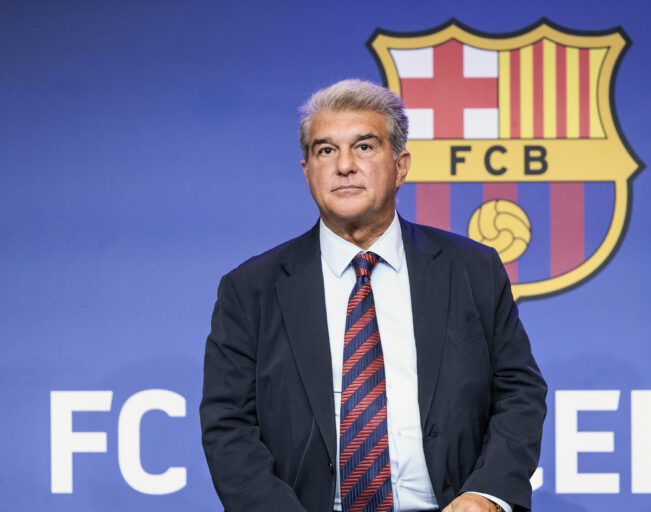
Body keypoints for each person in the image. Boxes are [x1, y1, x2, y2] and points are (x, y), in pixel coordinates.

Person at [200, 79, 547, 512]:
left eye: (364, 147)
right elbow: (228, 427)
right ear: (306, 169)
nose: (344, 165)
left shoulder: (472, 269)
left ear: (401, 165)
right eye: (325, 150)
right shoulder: (250, 289)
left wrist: (486, 495)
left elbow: (518, 391)